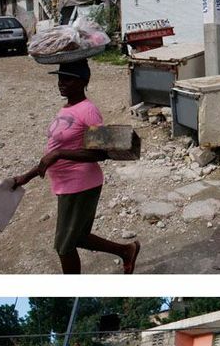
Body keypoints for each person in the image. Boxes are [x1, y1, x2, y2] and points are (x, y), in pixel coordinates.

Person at [12, 60, 140, 275]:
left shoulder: (88, 110)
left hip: (81, 184)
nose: (61, 83)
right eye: (60, 78)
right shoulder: (66, 108)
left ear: (83, 81)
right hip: (65, 185)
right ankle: (126, 251)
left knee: (64, 246)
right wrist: (27, 176)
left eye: (68, 79)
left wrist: (60, 154)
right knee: (77, 236)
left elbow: (100, 152)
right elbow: (53, 152)